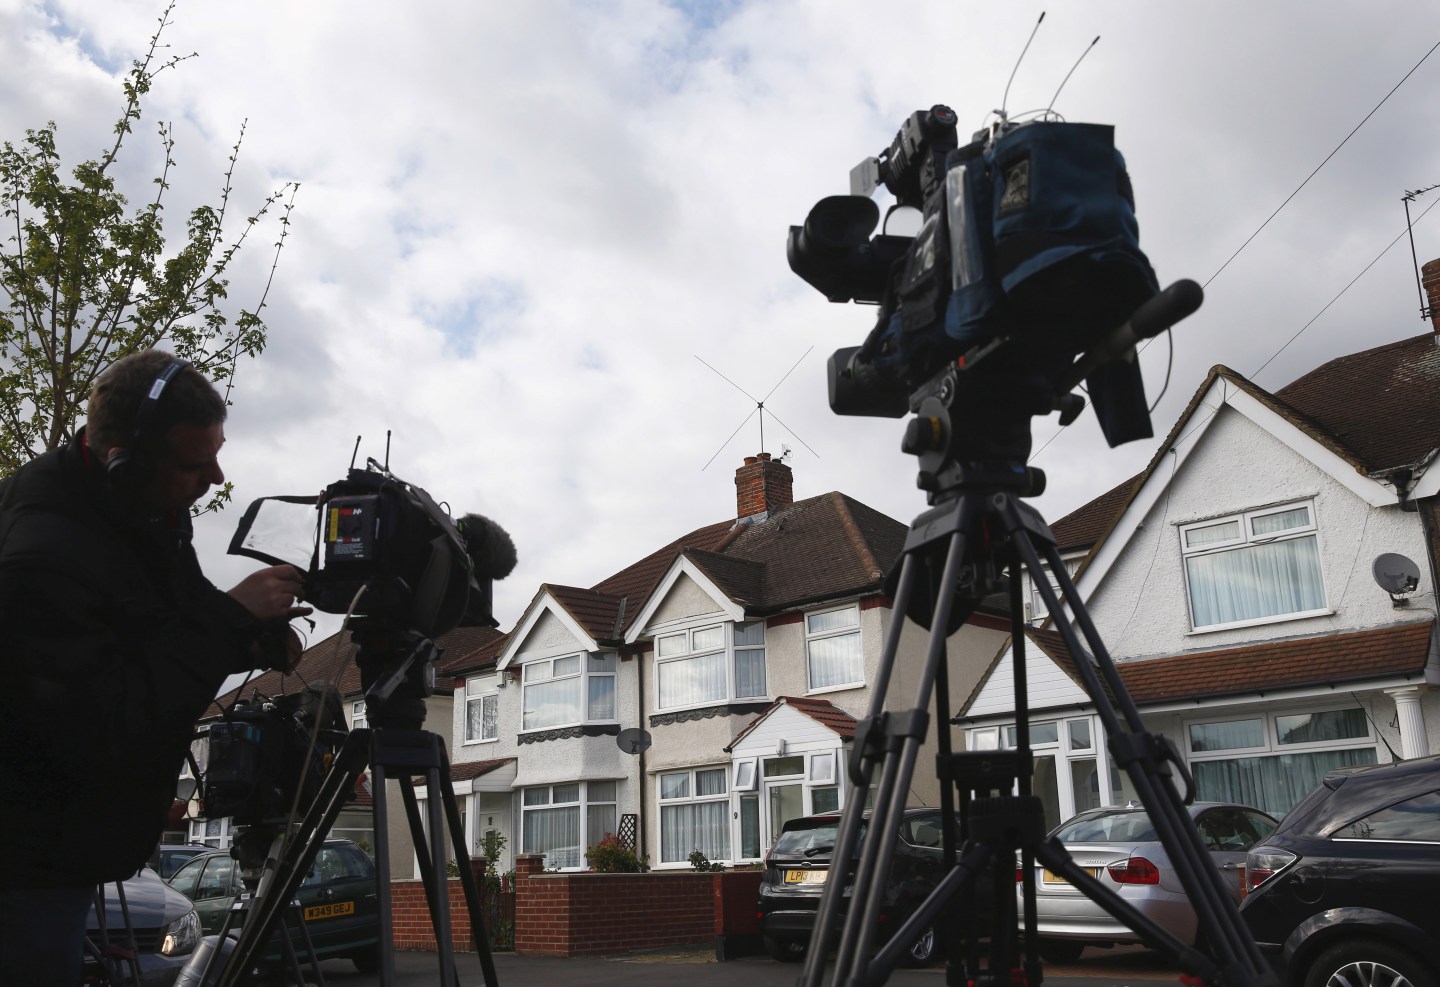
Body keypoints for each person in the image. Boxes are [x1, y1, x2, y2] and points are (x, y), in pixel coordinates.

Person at [0, 349, 311, 986]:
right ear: (126, 462)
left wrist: (249, 638)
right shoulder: (43, 554)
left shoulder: (139, 509)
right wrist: (227, 620)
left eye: (218, 451)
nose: (216, 475)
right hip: (23, 858)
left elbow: (163, 622)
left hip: (63, 845)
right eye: (196, 463)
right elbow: (100, 717)